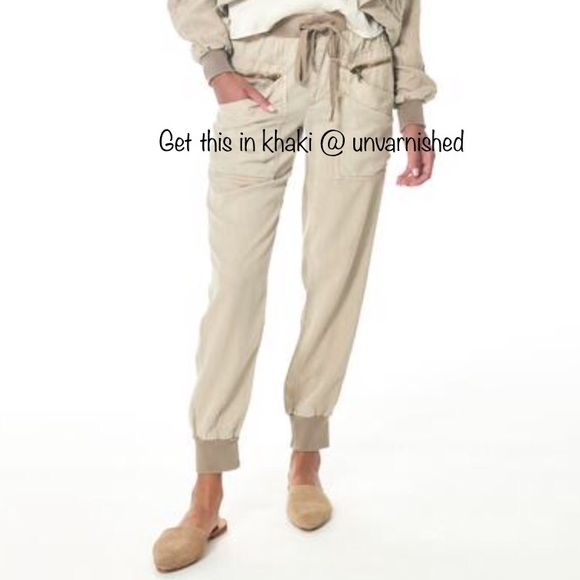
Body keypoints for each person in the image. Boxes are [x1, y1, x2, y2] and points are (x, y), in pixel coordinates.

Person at [154, 0, 437, 572]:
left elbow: (406, 9)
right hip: (256, 70)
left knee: (335, 276)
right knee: (234, 284)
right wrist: (216, 66)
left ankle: (306, 462)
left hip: (360, 71)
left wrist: (411, 108)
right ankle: (206, 494)